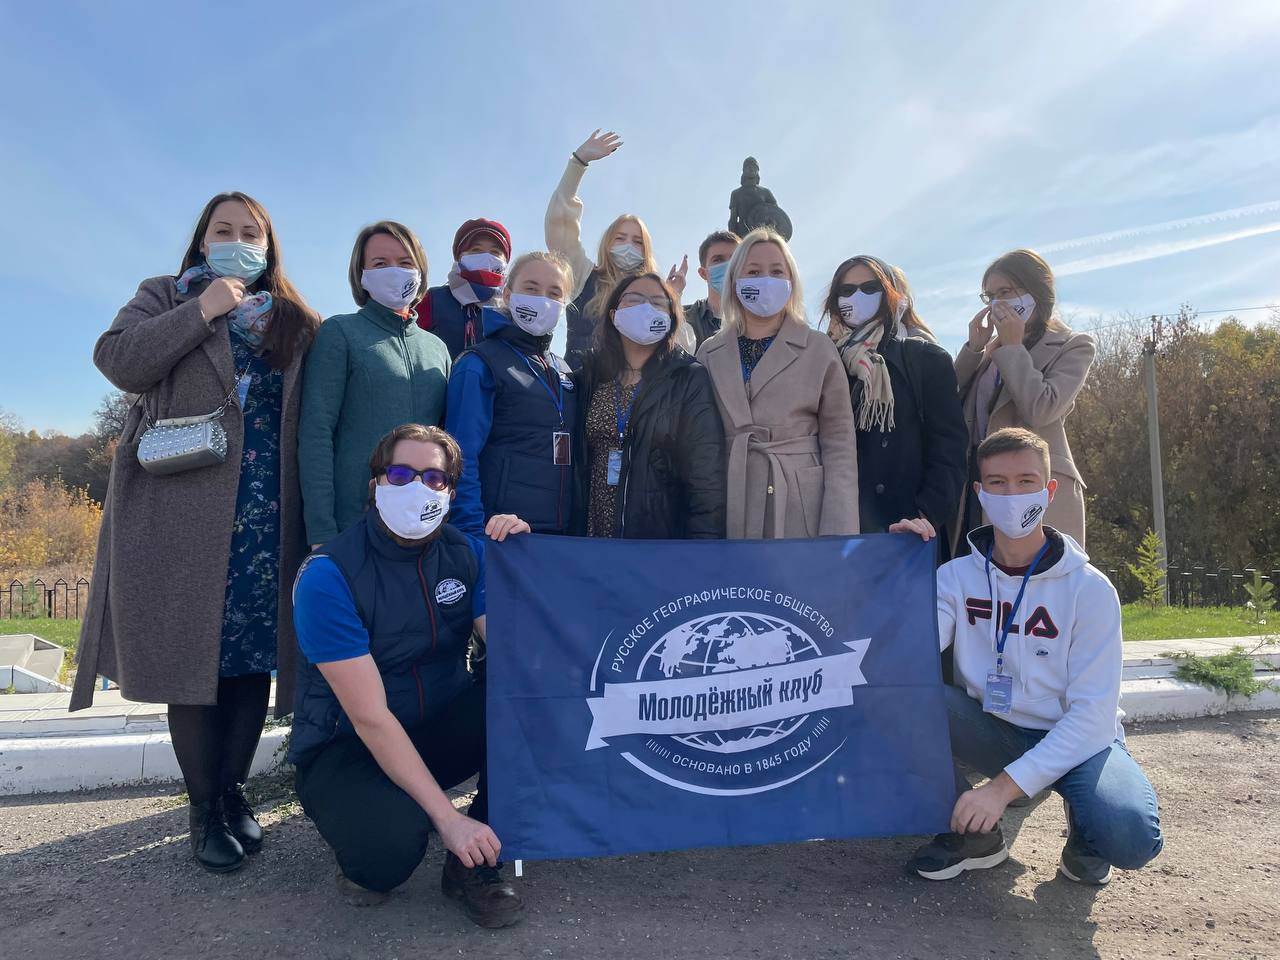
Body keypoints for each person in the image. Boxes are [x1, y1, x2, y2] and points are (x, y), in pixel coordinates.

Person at [71, 191, 320, 873]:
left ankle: (234, 792)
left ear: (269, 246)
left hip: (266, 517)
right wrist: (202, 310)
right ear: (203, 241)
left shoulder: (296, 320)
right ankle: (203, 806)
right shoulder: (164, 294)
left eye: (251, 232)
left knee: (249, 663)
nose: (238, 241)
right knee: (192, 663)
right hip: (181, 514)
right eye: (223, 230)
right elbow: (117, 361)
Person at [892, 428, 1163, 885]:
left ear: (1049, 489)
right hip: (993, 728)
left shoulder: (1090, 590)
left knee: (1129, 836)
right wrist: (899, 567)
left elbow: (1092, 718)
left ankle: (1087, 832)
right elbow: (901, 656)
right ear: (979, 493)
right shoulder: (955, 578)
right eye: (997, 483)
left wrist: (1001, 789)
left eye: (1026, 482)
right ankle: (974, 837)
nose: (1012, 495)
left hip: (1078, 739)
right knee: (896, 700)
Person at [290, 424, 528, 926]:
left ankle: (475, 864)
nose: (417, 487)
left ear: (450, 493)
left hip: (434, 726)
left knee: (521, 703)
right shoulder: (328, 575)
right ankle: (392, 817)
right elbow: (370, 717)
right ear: (375, 483)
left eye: (433, 478)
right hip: (348, 747)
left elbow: (516, 653)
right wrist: (447, 818)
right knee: (386, 856)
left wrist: (524, 563)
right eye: (400, 474)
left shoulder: (467, 554)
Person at [696, 228, 859, 539]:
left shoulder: (819, 348)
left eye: (776, 271)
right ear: (735, 280)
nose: (765, 280)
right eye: (753, 271)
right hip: (729, 499)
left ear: (791, 281)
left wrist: (838, 530)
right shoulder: (708, 352)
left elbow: (839, 443)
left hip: (800, 505)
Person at [299, 221, 450, 548]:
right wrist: (321, 530)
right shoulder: (340, 332)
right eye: (380, 264)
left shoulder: (438, 349)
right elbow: (316, 433)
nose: (394, 271)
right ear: (362, 274)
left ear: (420, 272)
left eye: (405, 262)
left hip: (424, 525)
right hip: (354, 523)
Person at [953, 249, 1095, 553]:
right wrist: (974, 350)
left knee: (1036, 576)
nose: (997, 303)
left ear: (1035, 290)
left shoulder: (1073, 345)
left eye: (1005, 292)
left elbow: (1042, 409)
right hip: (981, 482)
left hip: (1034, 487)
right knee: (981, 573)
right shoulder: (991, 350)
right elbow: (951, 405)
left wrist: (1014, 347)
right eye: (990, 296)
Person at [821, 255, 967, 550]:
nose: (858, 296)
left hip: (908, 533)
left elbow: (949, 451)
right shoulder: (822, 362)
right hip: (839, 533)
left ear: (889, 294)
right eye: (847, 291)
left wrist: (924, 514)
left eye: (870, 288)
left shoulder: (926, 360)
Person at [572, 272, 726, 538]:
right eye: (634, 299)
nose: (646, 308)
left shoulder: (688, 378)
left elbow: (706, 478)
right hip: (590, 540)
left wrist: (702, 549)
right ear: (613, 314)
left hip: (657, 544)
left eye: (657, 302)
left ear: (671, 318)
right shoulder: (587, 377)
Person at [445, 252, 578, 539]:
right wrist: (471, 533)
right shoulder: (479, 363)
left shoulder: (563, 369)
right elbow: (460, 455)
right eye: (531, 288)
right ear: (507, 295)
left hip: (559, 535)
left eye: (554, 293)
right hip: (501, 534)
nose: (543, 299)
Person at [544, 128, 691, 369]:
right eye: (620, 238)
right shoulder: (583, 275)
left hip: (637, 389)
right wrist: (578, 163)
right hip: (583, 387)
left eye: (637, 241)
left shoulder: (655, 293)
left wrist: (672, 300)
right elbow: (560, 225)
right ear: (607, 243)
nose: (628, 245)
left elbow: (681, 351)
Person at [417, 218, 513, 359]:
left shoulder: (512, 309)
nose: (486, 257)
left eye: (495, 252)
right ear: (459, 257)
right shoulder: (431, 300)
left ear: (505, 261)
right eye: (476, 250)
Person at [681, 231, 741, 349]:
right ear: (703, 273)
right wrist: (673, 295)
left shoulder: (761, 318)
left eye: (735, 259)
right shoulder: (686, 320)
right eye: (718, 260)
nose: (729, 265)